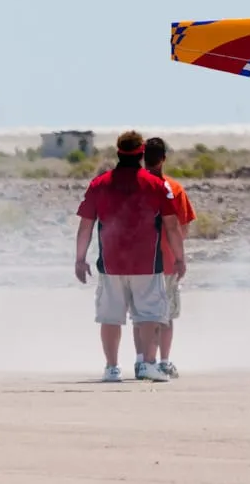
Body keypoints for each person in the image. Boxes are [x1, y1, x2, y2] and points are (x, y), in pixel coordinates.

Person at [74, 130, 187, 383]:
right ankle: (148, 364)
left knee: (110, 317)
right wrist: (180, 258)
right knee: (149, 315)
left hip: (111, 265)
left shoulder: (99, 184)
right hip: (147, 264)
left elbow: (85, 227)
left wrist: (80, 259)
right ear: (141, 153)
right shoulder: (157, 185)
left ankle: (112, 368)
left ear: (118, 152)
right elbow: (171, 226)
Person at [132, 137, 196, 379]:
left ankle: (140, 360)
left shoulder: (133, 186)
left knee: (140, 315)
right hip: (167, 262)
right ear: (164, 159)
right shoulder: (174, 189)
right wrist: (180, 257)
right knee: (166, 315)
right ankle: (164, 361)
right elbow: (183, 228)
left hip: (138, 263)